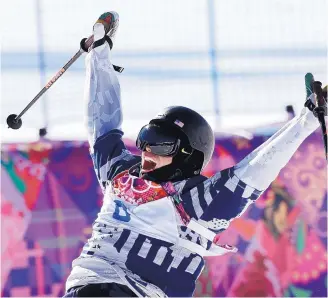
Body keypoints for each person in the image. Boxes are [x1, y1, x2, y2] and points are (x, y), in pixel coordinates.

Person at [64, 11, 326, 297]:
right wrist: (99, 54)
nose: (147, 150)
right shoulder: (119, 172)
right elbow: (102, 124)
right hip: (102, 285)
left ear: (189, 157)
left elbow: (255, 171)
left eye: (162, 144)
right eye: (145, 138)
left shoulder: (197, 202)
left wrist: (306, 121)